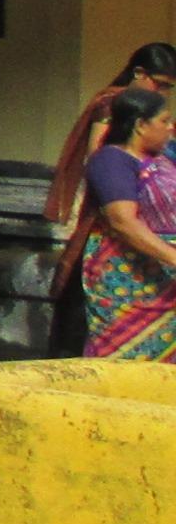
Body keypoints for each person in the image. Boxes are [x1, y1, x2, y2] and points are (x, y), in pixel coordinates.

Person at [74, 89, 176, 363]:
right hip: (130, 280)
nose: (170, 127)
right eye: (164, 120)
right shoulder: (111, 161)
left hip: (168, 282)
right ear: (140, 125)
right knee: (128, 361)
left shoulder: (165, 159)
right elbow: (123, 222)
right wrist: (172, 257)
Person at [57, 44, 176, 238]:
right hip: (120, 197)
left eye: (168, 87)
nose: (162, 93)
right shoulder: (111, 104)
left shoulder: (150, 107)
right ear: (139, 73)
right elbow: (98, 153)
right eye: (159, 84)